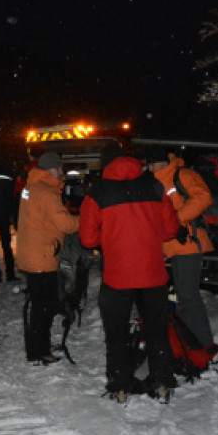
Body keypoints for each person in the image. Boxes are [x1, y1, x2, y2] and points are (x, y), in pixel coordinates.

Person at [79, 151, 180, 403]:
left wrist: (111, 236)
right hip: (152, 273)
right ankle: (162, 381)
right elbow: (171, 230)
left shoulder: (98, 192)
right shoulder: (154, 187)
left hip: (117, 275)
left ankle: (120, 384)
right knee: (157, 330)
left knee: (116, 333)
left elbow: (87, 239)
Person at [146, 148, 216, 347]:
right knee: (179, 297)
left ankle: (203, 346)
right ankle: (187, 343)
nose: (149, 168)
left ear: (160, 162)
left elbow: (204, 197)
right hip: (170, 247)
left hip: (188, 244)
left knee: (188, 298)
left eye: (151, 164)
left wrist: (175, 220)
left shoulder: (182, 174)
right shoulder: (156, 181)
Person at [16, 152, 79, 365]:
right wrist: (85, 219)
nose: (61, 172)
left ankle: (39, 345)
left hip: (32, 253)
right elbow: (65, 224)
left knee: (40, 305)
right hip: (42, 256)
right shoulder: (46, 193)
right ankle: (38, 351)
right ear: (47, 170)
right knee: (44, 306)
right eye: (57, 169)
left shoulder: (32, 187)